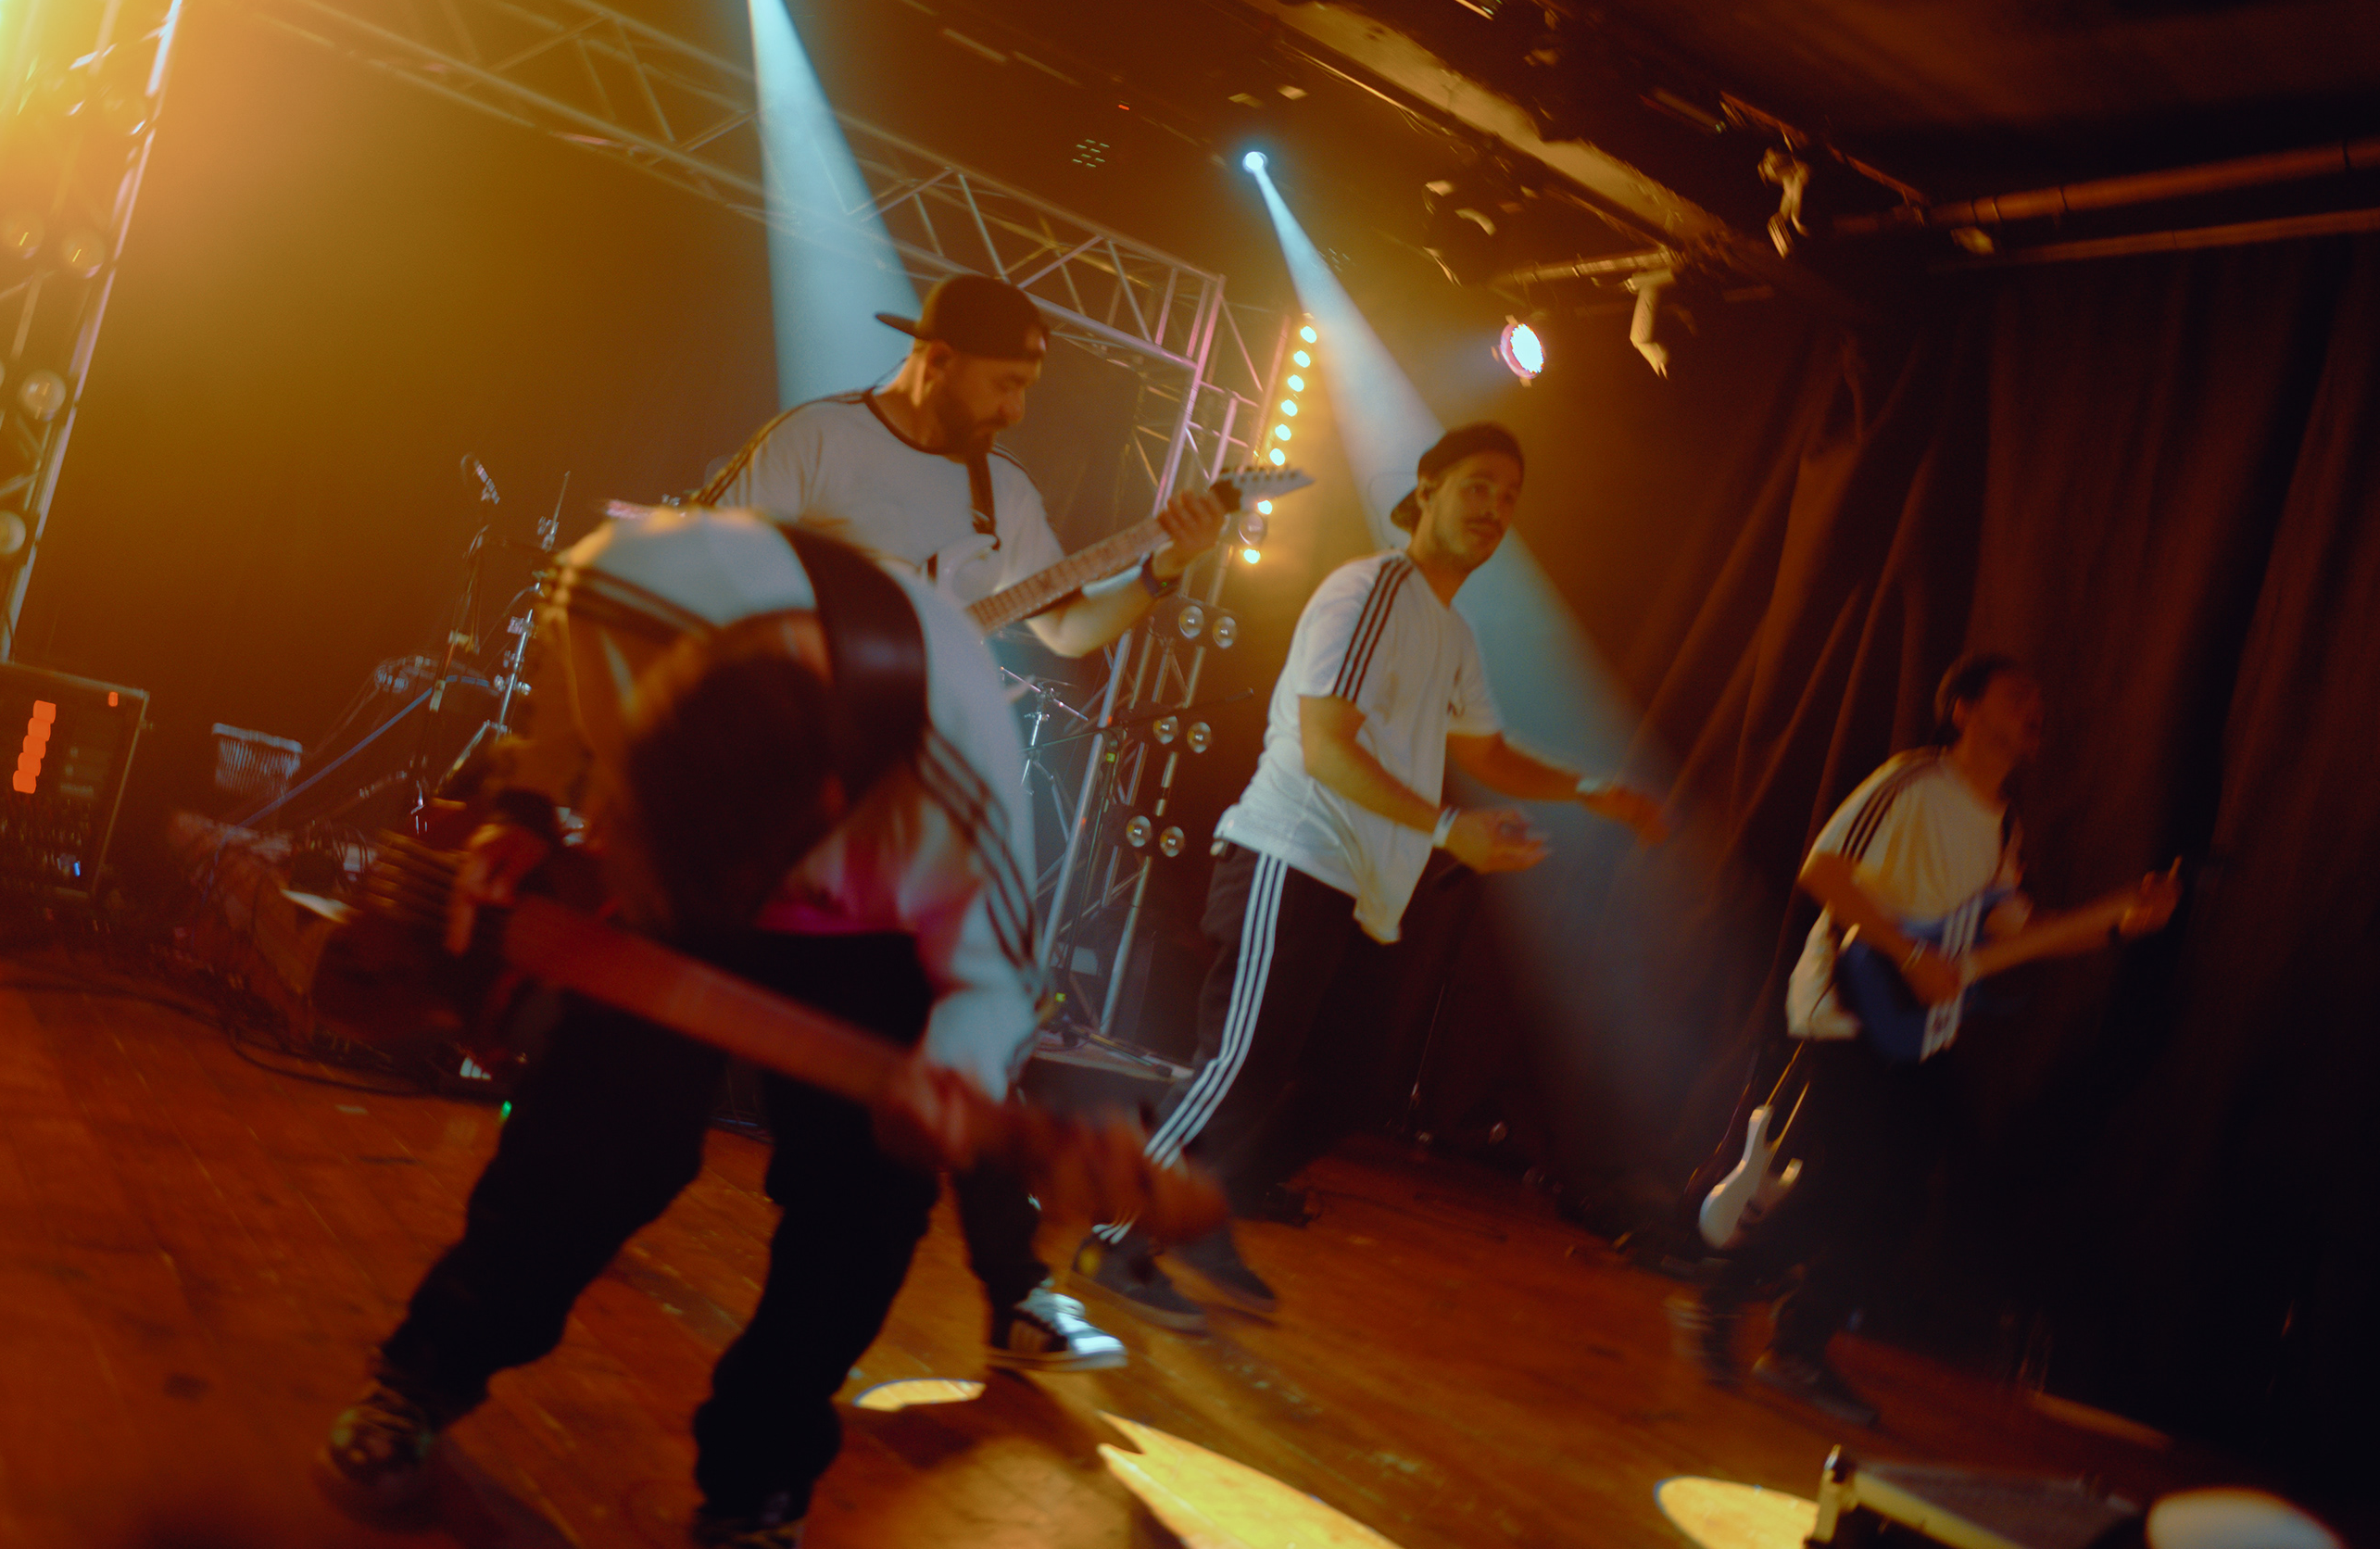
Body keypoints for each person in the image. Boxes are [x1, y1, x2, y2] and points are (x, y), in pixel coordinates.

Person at [317, 508, 1027, 1549]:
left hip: (869, 926)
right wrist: (533, 802)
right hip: (684, 852)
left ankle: (755, 1499)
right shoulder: (630, 582)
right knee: (590, 1140)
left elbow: (992, 984)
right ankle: (425, 1370)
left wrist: (955, 1071)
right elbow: (563, 667)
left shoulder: (952, 801)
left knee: (862, 1207)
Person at [699, 272, 1228, 1375]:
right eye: (1006, 382)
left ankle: (1012, 1286)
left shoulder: (1007, 497)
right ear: (934, 359)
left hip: (921, 815)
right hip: (794, 798)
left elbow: (1074, 629)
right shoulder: (818, 442)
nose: (1017, 410)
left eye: (1031, 387)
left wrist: (1166, 566)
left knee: (971, 1043)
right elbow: (714, 578)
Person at [1077, 422, 1665, 1330]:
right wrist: (1445, 826)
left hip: (1362, 890)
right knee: (1241, 1067)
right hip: (1293, 852)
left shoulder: (1451, 630)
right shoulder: (1373, 587)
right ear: (1424, 490)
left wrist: (1588, 790)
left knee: (1350, 1087)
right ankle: (1119, 1237)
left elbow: (1489, 751)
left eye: (1509, 496)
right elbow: (1326, 745)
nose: (1494, 508)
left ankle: (1200, 1215)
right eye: (1477, 484)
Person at [1672, 653, 2177, 1428]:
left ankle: (1796, 1343)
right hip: (1842, 1007)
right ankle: (1729, 1293)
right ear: (1963, 710)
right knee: (1852, 1185)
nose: (2035, 709)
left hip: (1916, 1031)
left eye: (2041, 701)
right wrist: (1908, 954)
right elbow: (1823, 871)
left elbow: (2024, 933)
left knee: (1900, 1202)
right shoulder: (1911, 782)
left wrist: (2120, 921)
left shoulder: (2004, 824)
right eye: (2017, 695)